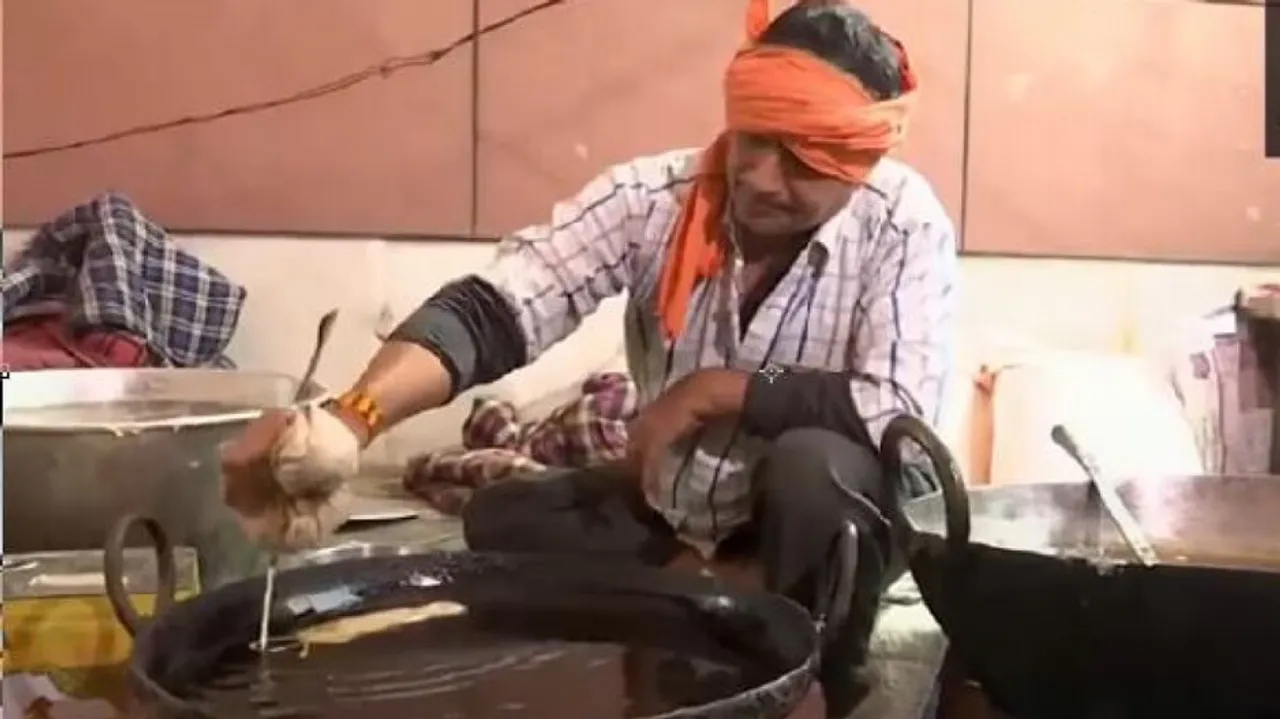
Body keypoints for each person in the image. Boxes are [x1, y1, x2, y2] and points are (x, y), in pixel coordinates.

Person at [220, 0, 957, 715]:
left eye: (801, 159)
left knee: (814, 467)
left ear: (860, 161)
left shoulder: (902, 223)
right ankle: (711, 588)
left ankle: (812, 660)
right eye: (754, 138)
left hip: (821, 519)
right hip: (684, 510)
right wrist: (350, 421)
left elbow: (894, 404)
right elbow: (499, 306)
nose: (762, 177)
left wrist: (717, 391)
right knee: (502, 520)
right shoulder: (653, 199)